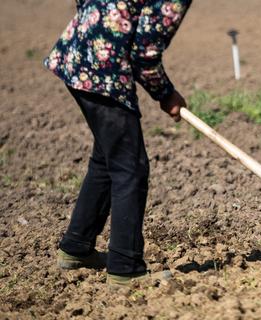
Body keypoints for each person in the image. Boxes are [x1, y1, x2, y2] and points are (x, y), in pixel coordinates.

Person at [44, 0, 192, 285]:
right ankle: (126, 269)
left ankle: (76, 247)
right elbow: (145, 55)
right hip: (103, 72)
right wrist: (166, 94)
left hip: (76, 53)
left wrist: (99, 28)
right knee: (131, 168)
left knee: (106, 157)